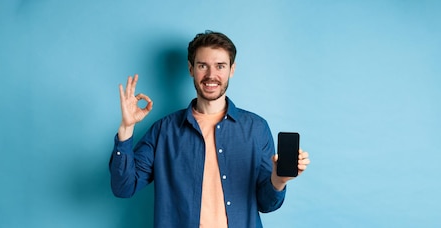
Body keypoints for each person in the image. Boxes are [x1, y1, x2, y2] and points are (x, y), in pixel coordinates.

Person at [109, 30, 310, 228]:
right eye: (202, 65)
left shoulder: (256, 128)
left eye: (220, 66)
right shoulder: (164, 130)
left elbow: (267, 204)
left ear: (232, 69)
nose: (211, 75)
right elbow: (124, 187)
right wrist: (127, 127)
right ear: (191, 69)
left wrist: (279, 180)